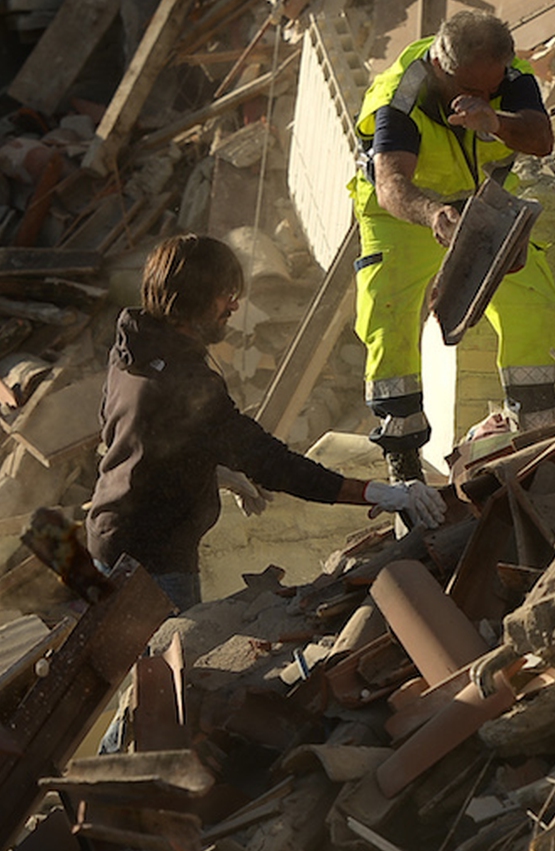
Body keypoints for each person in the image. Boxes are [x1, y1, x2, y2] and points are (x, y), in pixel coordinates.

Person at [86, 233, 445, 612]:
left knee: (122, 659)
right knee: (172, 661)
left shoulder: (133, 348)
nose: (234, 305)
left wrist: (209, 466)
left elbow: (124, 429)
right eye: (225, 295)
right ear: (194, 298)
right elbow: (272, 463)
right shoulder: (186, 380)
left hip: (107, 537)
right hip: (151, 563)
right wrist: (377, 493)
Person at [348, 10, 555, 483]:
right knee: (389, 319)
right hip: (407, 213)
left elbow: (542, 140)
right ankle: (404, 462)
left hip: (480, 202)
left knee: (531, 302)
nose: (482, 95)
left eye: (492, 87)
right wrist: (434, 216)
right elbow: (391, 186)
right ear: (441, 68)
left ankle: (538, 432)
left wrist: (498, 120)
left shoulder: (513, 77)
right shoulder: (400, 97)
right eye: (471, 87)